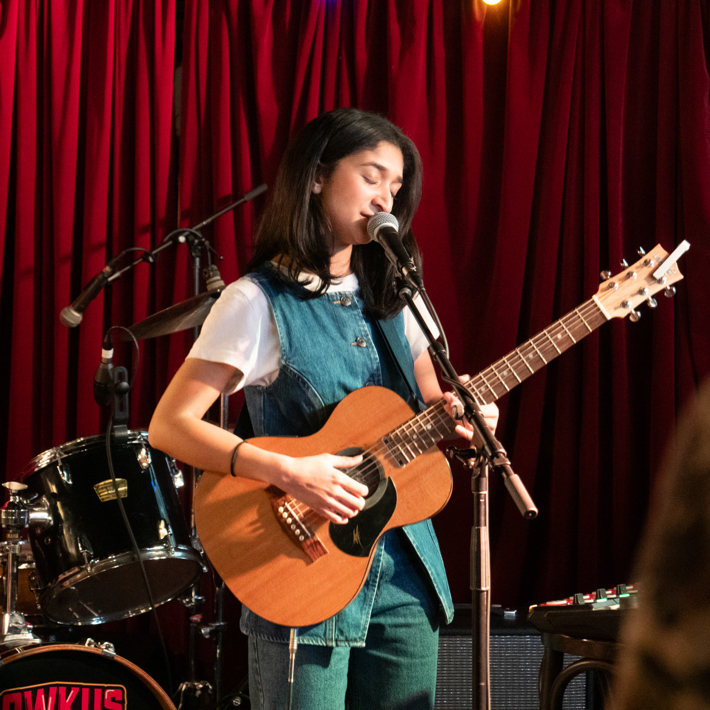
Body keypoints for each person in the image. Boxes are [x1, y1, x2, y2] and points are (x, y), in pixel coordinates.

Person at [149, 107, 498, 710]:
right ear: (316, 176)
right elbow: (169, 426)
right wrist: (286, 471)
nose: (384, 199)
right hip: (303, 569)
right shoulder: (256, 301)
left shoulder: (398, 294)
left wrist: (465, 420)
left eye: (395, 187)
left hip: (407, 571)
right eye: (371, 177)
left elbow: (434, 406)